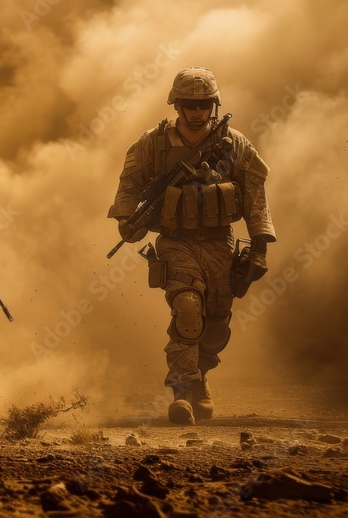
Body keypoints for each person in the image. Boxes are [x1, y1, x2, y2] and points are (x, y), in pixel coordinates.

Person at [109, 66, 275, 425]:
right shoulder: (153, 143)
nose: (197, 112)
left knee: (215, 325)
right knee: (187, 308)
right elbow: (130, 181)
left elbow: (255, 195)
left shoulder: (234, 144)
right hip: (176, 241)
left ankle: (200, 378)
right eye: (189, 105)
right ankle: (182, 392)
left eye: (204, 105)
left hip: (220, 244)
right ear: (177, 105)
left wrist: (260, 244)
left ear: (214, 106)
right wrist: (126, 218)